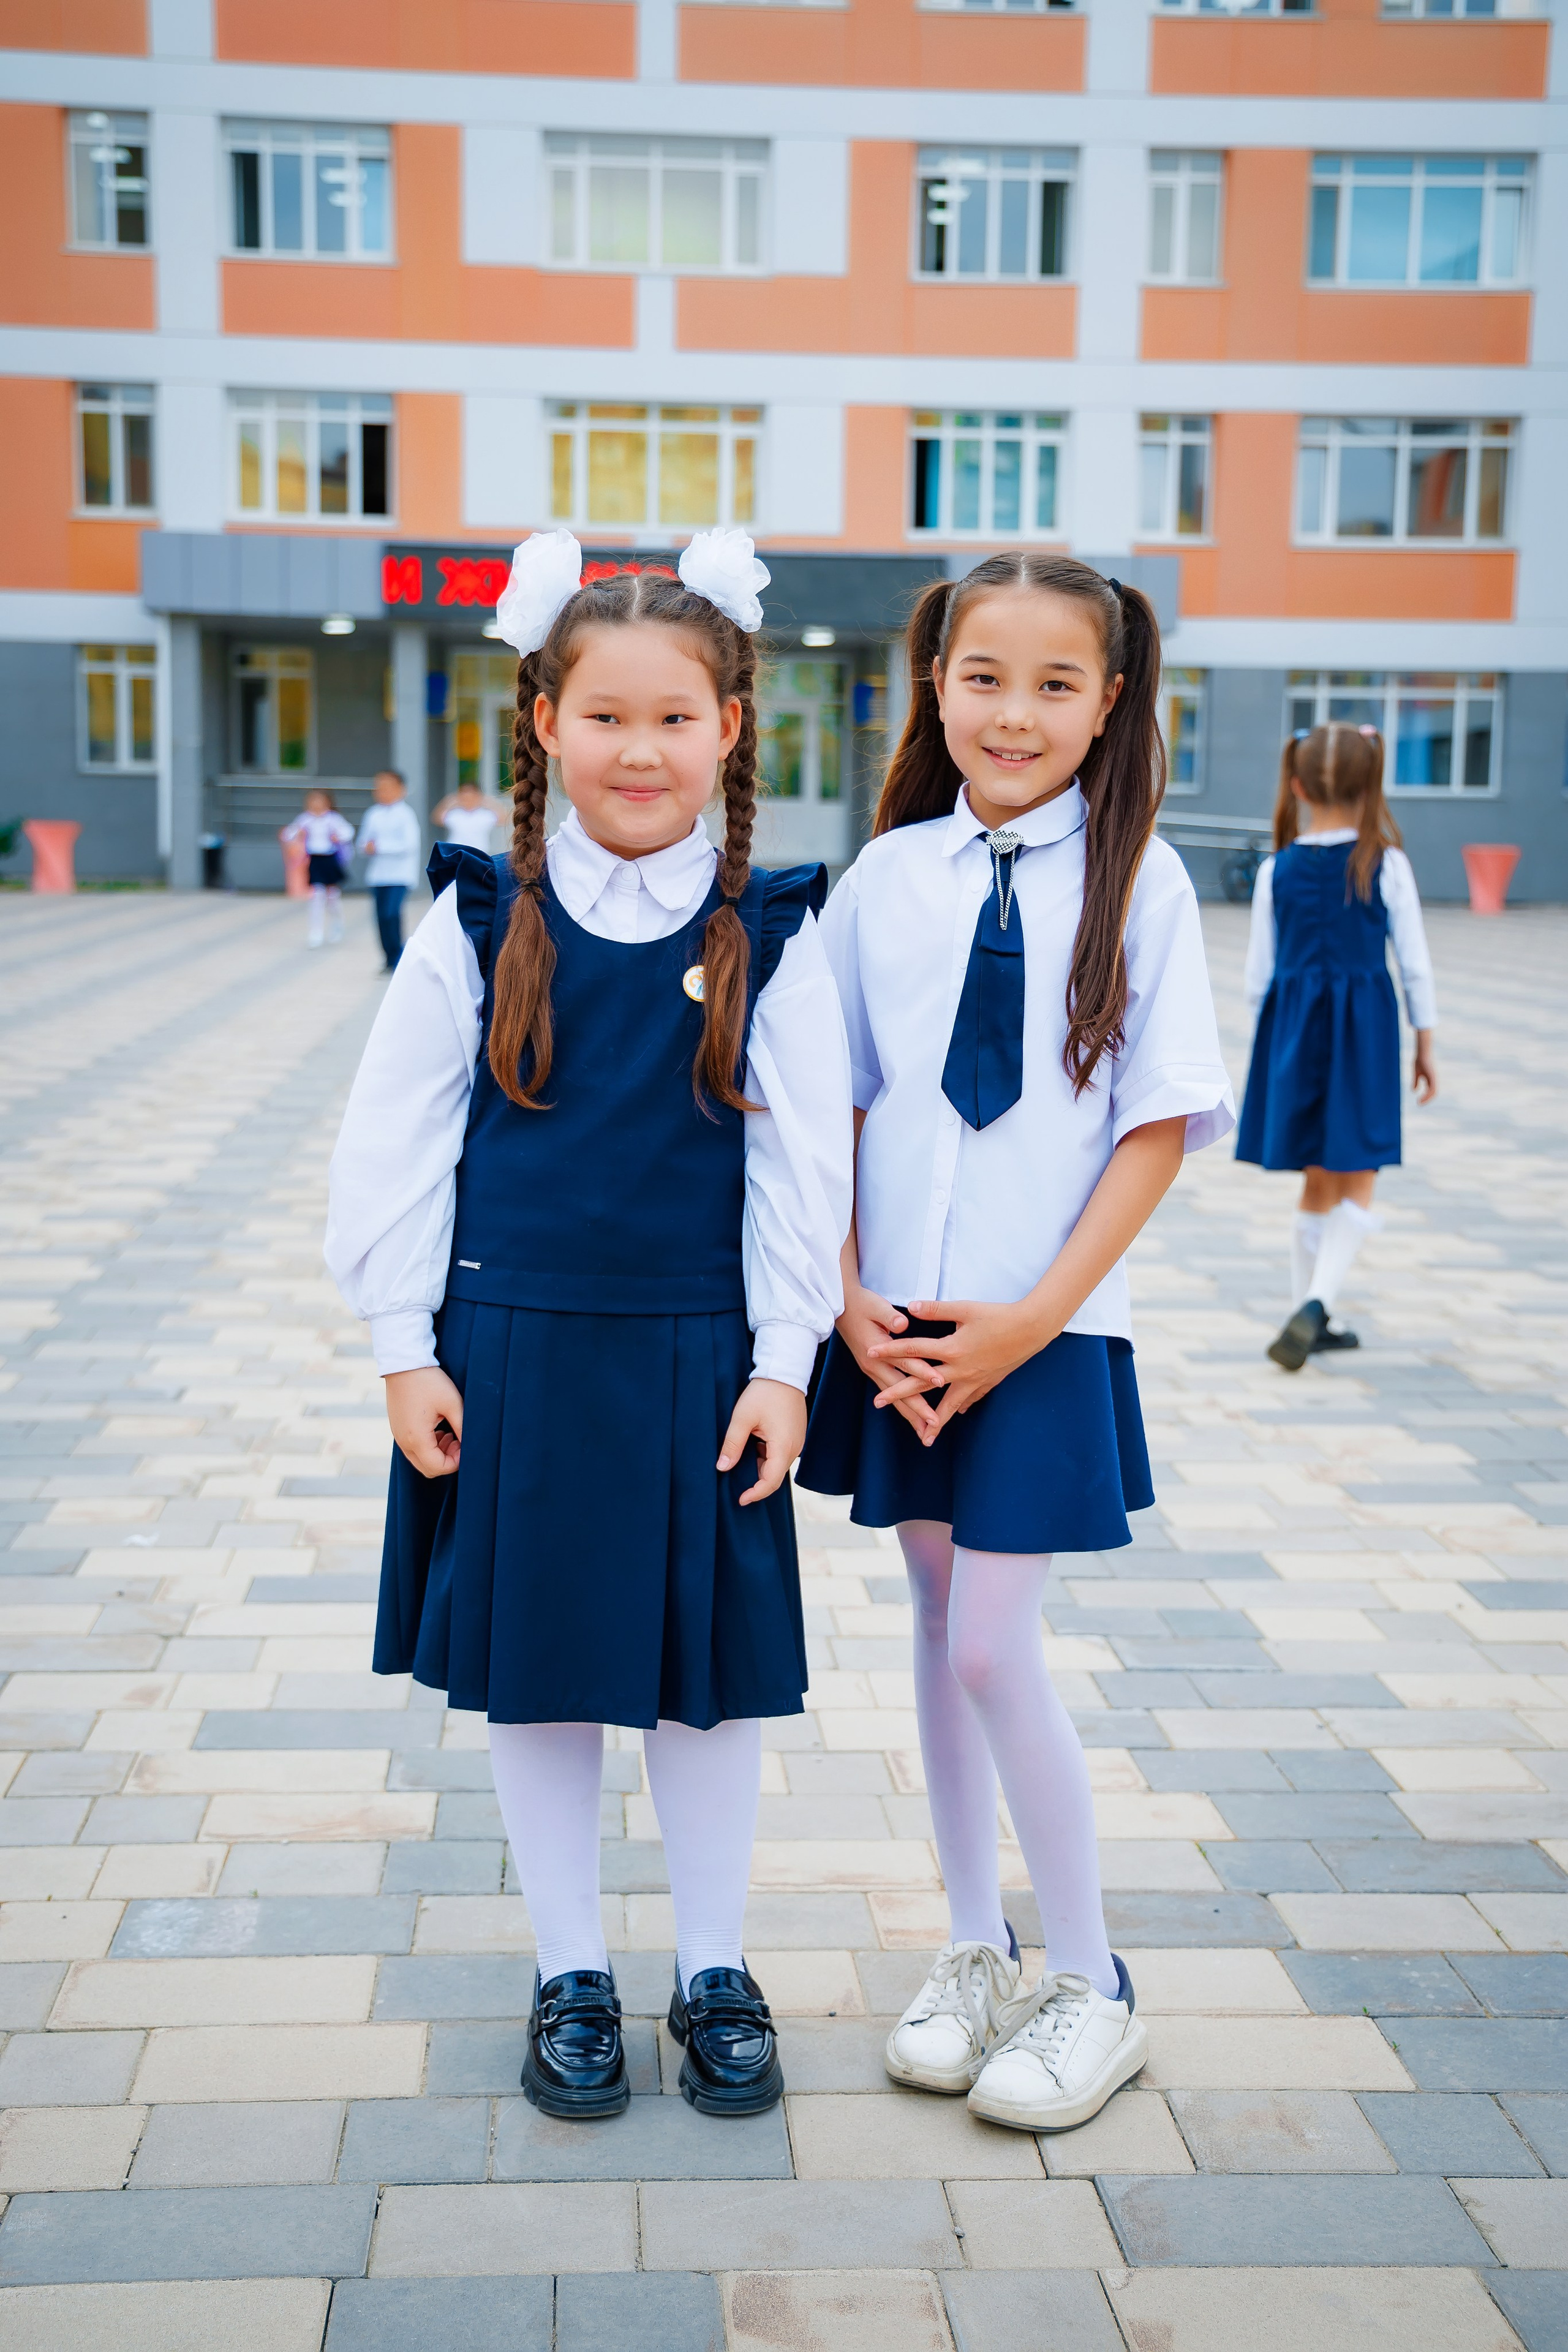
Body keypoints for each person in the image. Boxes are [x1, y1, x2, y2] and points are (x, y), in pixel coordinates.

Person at [325, 529, 853, 2123]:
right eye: (606, 715)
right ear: (546, 721)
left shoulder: (774, 929)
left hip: (704, 1357)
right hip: (515, 1355)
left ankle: (713, 1968)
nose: (640, 748)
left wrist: (786, 1363)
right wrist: (403, 1345)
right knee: (543, 1673)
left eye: (674, 717)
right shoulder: (481, 920)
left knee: (708, 1679)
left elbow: (803, 1165)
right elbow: (395, 1139)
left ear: (730, 727)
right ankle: (570, 1971)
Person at [796, 552, 1234, 2134]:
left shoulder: (1143, 882)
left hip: (1038, 1329)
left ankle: (1092, 1980)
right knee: (933, 1625)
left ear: (1110, 702)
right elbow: (830, 1100)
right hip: (898, 1326)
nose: (1014, 713)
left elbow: (1157, 1126)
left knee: (991, 1644)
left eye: (1055, 685)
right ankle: (976, 1949)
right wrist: (845, 1291)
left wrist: (1035, 1320)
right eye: (983, 677)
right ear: (935, 683)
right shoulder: (885, 876)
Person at [1237, 722, 1437, 1372]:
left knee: (1316, 1181)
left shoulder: (1276, 869)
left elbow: (1257, 977)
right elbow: (1414, 966)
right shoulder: (1387, 863)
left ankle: (1308, 1313)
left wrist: (1271, 1054)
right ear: (1370, 784)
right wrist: (1424, 1042)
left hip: (1294, 1032)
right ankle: (1318, 1303)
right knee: (1359, 1173)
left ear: (1297, 786)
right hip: (1364, 1034)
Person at [356, 769, 423, 974]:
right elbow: (362, 843)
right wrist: (367, 847)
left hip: (400, 876)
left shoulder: (406, 814)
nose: (382, 791)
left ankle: (398, 957)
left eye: (387, 787)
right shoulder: (373, 814)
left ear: (401, 790)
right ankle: (388, 959)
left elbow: (409, 845)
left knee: (392, 914)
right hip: (378, 876)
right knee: (381, 918)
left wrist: (379, 847)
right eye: (379, 788)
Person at [282, 788, 353, 947]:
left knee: (332, 896)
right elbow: (288, 834)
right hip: (315, 859)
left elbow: (348, 833)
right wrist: (299, 833)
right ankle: (316, 932)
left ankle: (337, 925)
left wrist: (338, 837)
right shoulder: (306, 819)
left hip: (330, 859)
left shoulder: (333, 819)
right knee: (317, 896)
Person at [433, 776, 508, 856]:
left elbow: (504, 819)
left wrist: (488, 801)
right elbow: (437, 819)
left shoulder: (484, 815)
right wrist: (450, 801)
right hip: (455, 853)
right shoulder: (455, 814)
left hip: (478, 854)